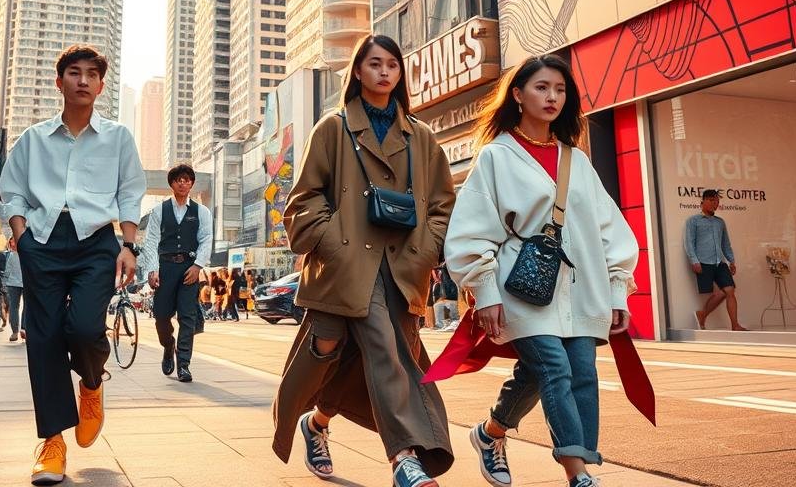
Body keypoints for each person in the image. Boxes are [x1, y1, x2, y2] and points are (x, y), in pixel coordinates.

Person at [445, 54, 639, 487]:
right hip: (522, 288)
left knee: (579, 373)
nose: (552, 97)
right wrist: (485, 292)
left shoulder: (578, 161)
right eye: (541, 88)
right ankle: (579, 474)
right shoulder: (496, 157)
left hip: (580, 288)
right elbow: (472, 231)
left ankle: (491, 433)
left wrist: (617, 290)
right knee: (554, 368)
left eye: (560, 89)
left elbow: (611, 231)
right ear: (517, 94)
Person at [272, 34, 457, 487]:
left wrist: (428, 248)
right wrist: (331, 241)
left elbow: (442, 205)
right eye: (375, 64)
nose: (384, 72)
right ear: (357, 71)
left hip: (403, 266)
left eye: (393, 65)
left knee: (376, 354)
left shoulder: (422, 136)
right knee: (342, 351)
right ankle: (400, 456)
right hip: (344, 265)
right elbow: (303, 198)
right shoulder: (332, 128)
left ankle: (332, 430)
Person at [0, 45, 146, 486]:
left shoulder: (117, 138)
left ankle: (93, 384)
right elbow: (12, 192)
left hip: (96, 242)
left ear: (101, 85)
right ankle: (52, 442)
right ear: (59, 81)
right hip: (41, 240)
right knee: (42, 337)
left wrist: (129, 245)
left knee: (83, 327)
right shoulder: (33, 139)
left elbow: (131, 192)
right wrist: (23, 240)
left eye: (91, 74)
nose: (82, 80)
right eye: (74, 73)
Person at [138, 163, 213, 382]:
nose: (183, 183)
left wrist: (198, 265)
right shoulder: (160, 210)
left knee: (187, 318)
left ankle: (184, 365)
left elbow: (206, 239)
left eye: (187, 179)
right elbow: (151, 240)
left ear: (192, 184)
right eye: (179, 179)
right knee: (161, 316)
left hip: (189, 268)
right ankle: (168, 345)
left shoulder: (202, 212)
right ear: (172, 183)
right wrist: (152, 269)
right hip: (165, 267)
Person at [685, 190, 745, 330]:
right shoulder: (693, 221)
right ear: (703, 202)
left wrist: (732, 260)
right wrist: (694, 260)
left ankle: (735, 325)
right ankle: (702, 314)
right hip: (703, 262)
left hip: (720, 262)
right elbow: (689, 242)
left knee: (730, 291)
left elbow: (726, 243)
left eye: (717, 201)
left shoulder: (720, 222)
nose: (715, 203)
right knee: (720, 293)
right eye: (712, 200)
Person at [0, 237, 25, 340]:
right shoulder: (27, 254)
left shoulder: (12, 255)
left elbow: (7, 272)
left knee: (14, 307)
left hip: (16, 283)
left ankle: (15, 332)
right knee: (24, 307)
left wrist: (4, 284)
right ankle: (22, 329)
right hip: (19, 283)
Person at [431, 265, 458, 331]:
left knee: (451, 305)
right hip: (447, 297)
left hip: (453, 298)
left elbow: (454, 291)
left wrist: (445, 297)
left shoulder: (450, 274)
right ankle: (440, 325)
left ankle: (454, 323)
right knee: (437, 305)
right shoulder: (443, 274)